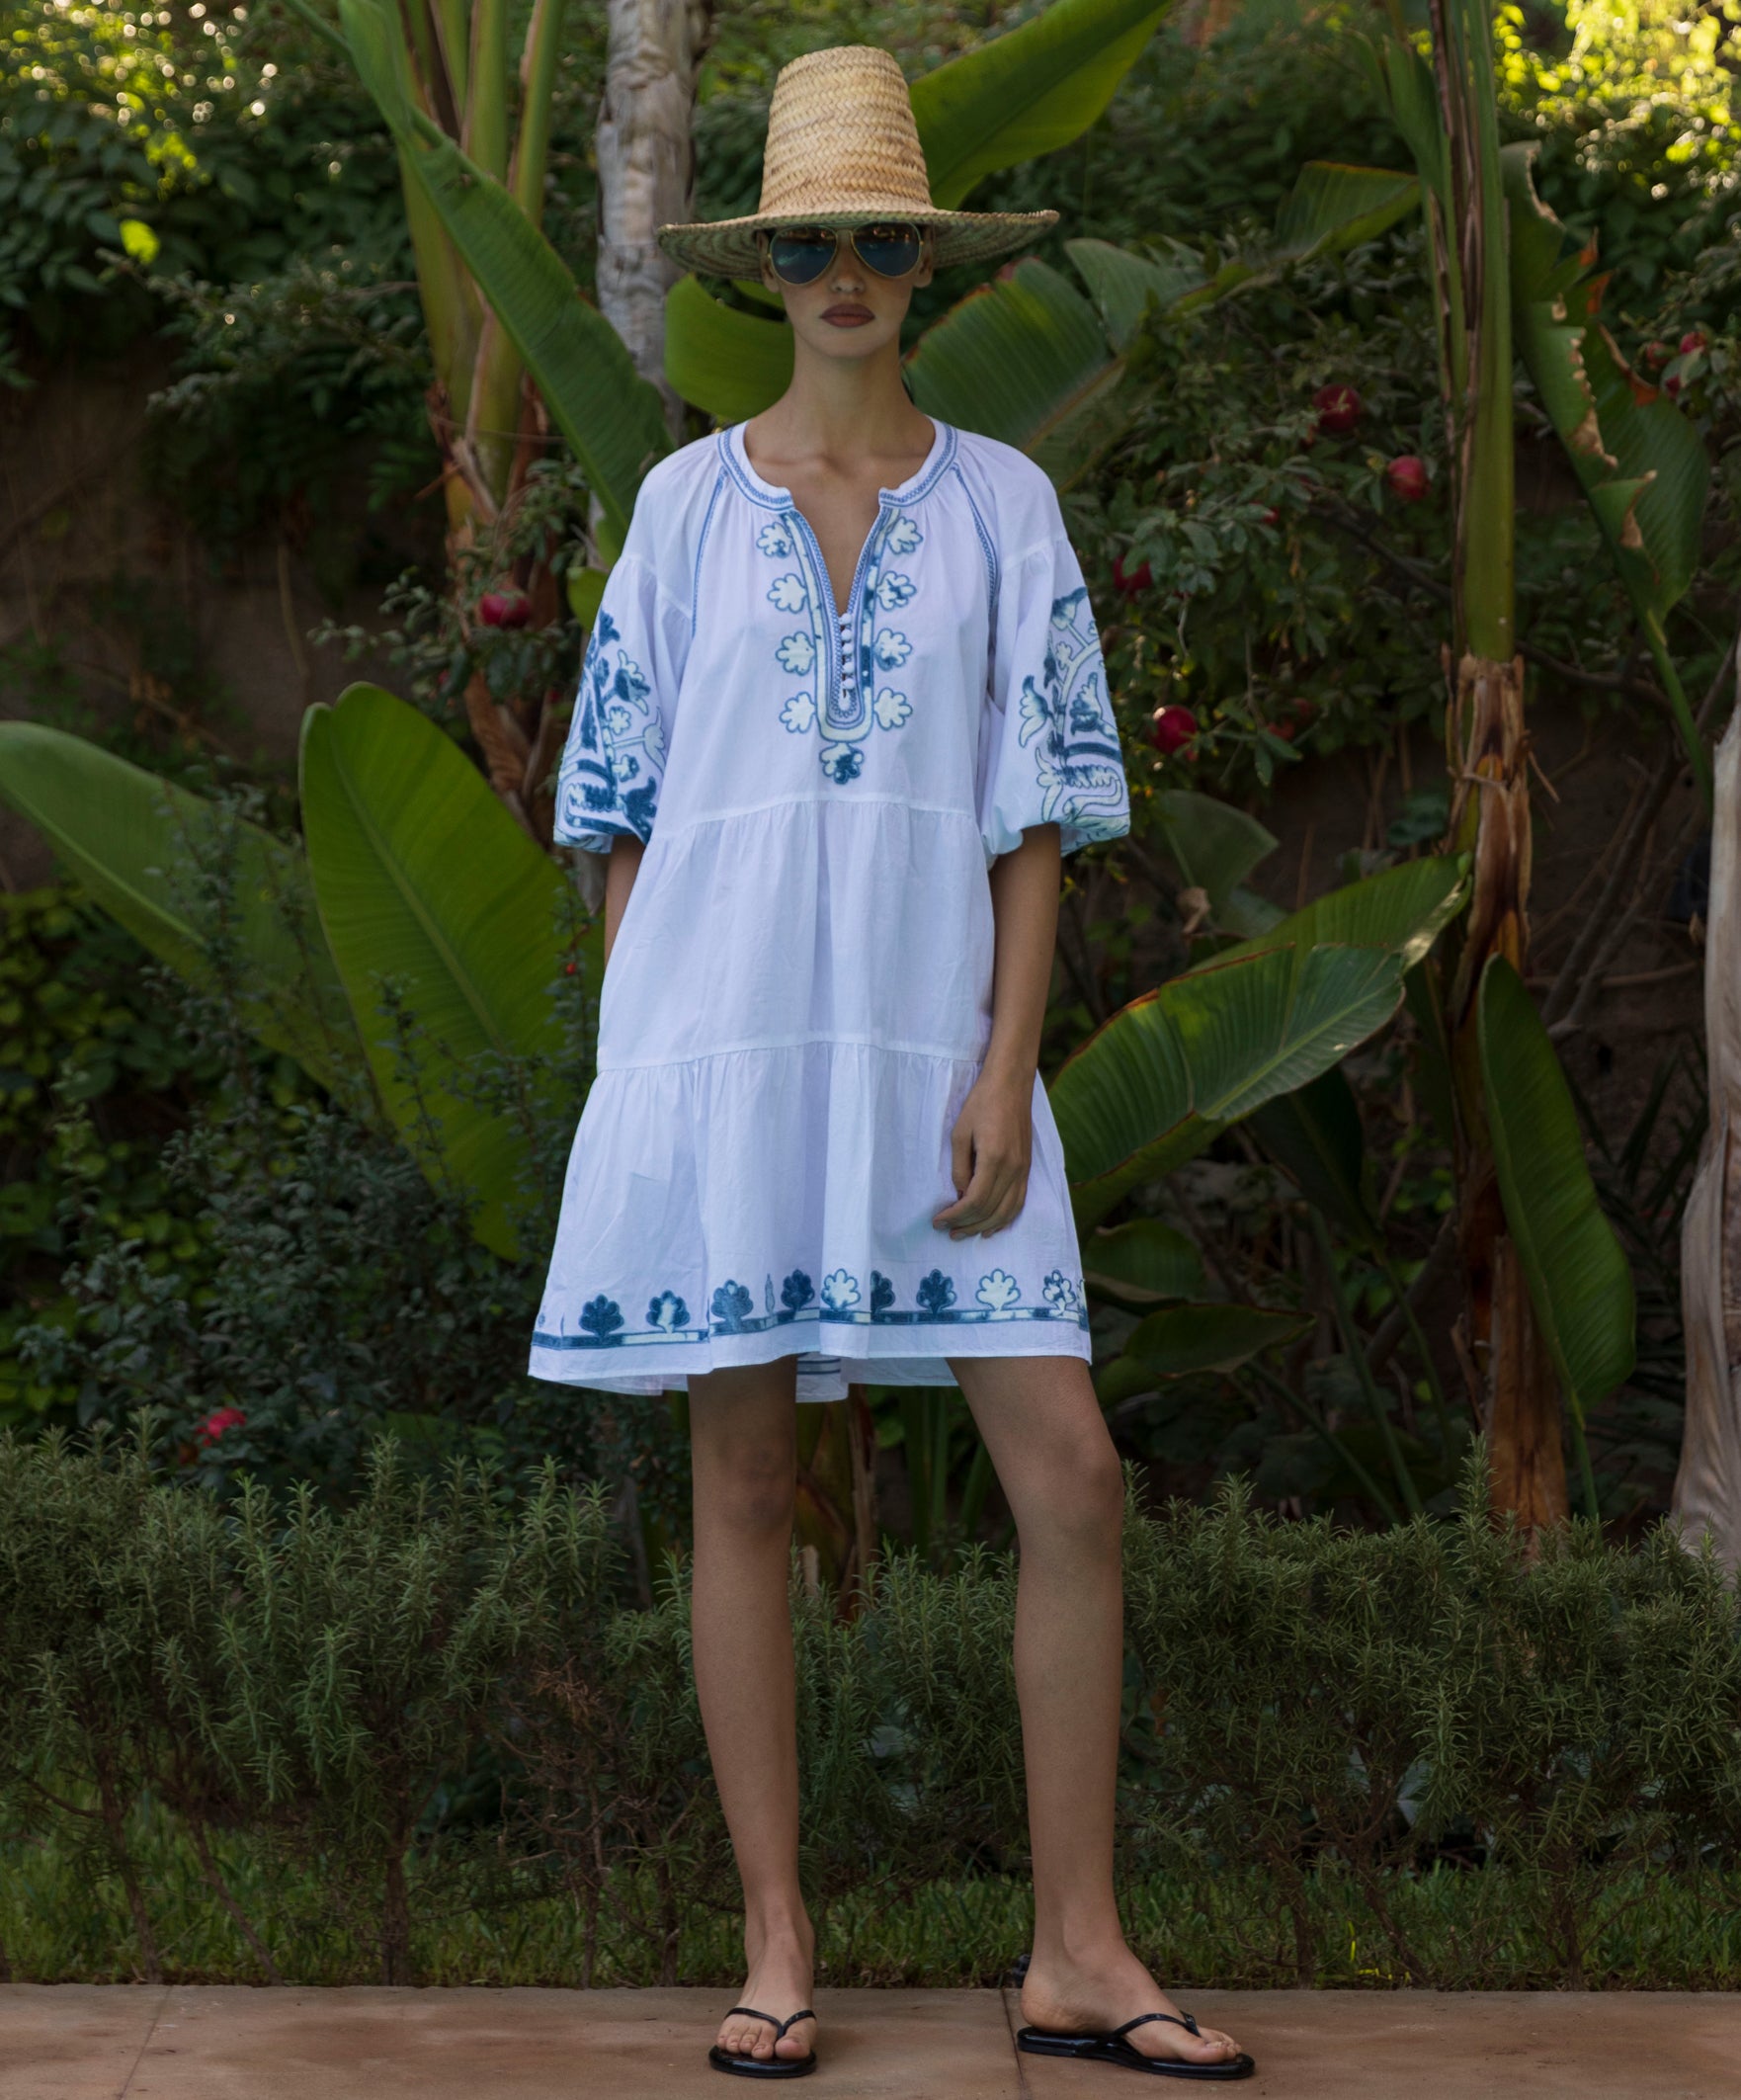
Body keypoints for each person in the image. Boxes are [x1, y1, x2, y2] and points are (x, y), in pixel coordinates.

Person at [529, 42, 1253, 2086]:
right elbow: (618, 808)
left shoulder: (1007, 508)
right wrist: (660, 1077)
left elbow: (1034, 817)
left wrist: (1008, 1061)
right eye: (811, 240)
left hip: (939, 1063)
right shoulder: (677, 509)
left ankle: (1076, 1949)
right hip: (727, 1064)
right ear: (770, 270)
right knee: (744, 1478)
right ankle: (773, 1942)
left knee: (1072, 1473)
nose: (846, 268)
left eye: (880, 238)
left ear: (923, 265)